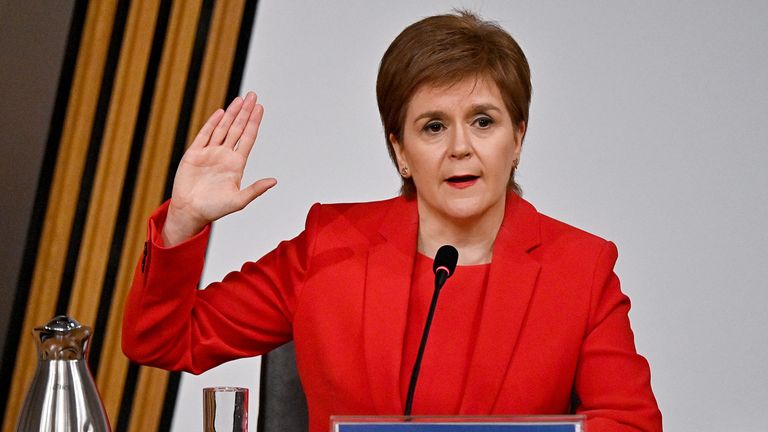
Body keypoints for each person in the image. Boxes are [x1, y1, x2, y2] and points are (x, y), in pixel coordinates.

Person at [122, 11, 662, 432]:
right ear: (399, 150)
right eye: (432, 126)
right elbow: (165, 340)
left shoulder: (581, 269)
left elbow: (630, 423)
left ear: (517, 138)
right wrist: (184, 225)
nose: (460, 148)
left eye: (483, 121)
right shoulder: (330, 247)